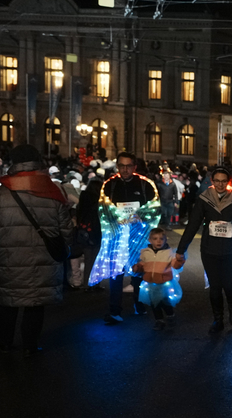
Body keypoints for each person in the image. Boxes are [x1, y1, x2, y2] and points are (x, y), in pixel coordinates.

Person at [0, 145, 73, 357]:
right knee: (34, 304)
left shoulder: (3, 191)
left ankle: (4, 343)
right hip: (44, 260)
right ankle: (30, 345)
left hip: (7, 259)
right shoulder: (52, 190)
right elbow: (66, 230)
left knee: (7, 302)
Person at [176, 167, 232, 334]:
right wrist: (181, 249)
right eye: (217, 181)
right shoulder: (204, 199)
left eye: (224, 181)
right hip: (210, 250)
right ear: (212, 181)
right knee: (215, 287)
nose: (220, 184)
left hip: (231, 250)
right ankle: (218, 319)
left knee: (230, 285)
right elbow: (193, 224)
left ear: (228, 182)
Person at [90, 151, 160, 324]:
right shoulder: (109, 185)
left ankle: (139, 303)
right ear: (117, 166)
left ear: (135, 167)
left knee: (138, 272)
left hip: (139, 236)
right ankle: (115, 311)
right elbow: (103, 208)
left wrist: (141, 215)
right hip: (117, 237)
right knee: (116, 273)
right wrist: (115, 217)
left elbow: (156, 206)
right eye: (122, 166)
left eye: (129, 166)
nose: (125, 169)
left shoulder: (145, 185)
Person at [131, 227, 182, 330]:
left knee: (165, 302)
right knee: (154, 303)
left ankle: (170, 315)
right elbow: (143, 264)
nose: (158, 241)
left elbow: (175, 265)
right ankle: (159, 320)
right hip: (151, 283)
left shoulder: (168, 253)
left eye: (161, 239)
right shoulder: (146, 253)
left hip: (164, 283)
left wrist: (179, 261)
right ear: (150, 240)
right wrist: (137, 267)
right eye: (155, 239)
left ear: (165, 240)